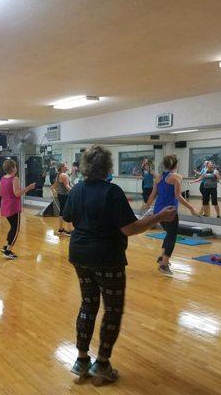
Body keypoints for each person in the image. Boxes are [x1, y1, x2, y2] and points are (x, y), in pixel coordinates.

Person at [62, 145, 177, 384]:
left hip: (80, 255)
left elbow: (68, 218)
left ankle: (82, 360)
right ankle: (102, 366)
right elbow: (129, 228)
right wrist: (157, 217)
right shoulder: (112, 191)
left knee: (87, 304)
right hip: (106, 257)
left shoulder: (77, 190)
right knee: (112, 310)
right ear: (108, 167)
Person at [144, 155, 199, 275]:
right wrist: (191, 208)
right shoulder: (176, 177)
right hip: (169, 212)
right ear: (176, 165)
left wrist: (148, 204)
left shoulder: (158, 178)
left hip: (158, 210)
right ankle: (164, 265)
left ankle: (162, 257)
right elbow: (178, 196)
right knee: (172, 236)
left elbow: (153, 194)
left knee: (169, 233)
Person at [0, 159, 35, 259]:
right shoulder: (15, 179)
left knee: (12, 227)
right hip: (13, 207)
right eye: (15, 166)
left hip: (5, 206)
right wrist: (29, 187)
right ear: (13, 168)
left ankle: (6, 246)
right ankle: (8, 251)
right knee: (16, 229)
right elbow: (17, 193)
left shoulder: (3, 178)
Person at [51, 162, 72, 236]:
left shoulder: (59, 174)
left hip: (61, 195)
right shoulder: (63, 175)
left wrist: (54, 190)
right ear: (62, 167)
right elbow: (67, 186)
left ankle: (61, 228)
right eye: (66, 165)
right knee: (68, 211)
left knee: (62, 211)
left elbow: (54, 185)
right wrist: (75, 192)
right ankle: (69, 230)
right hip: (65, 196)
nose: (67, 166)